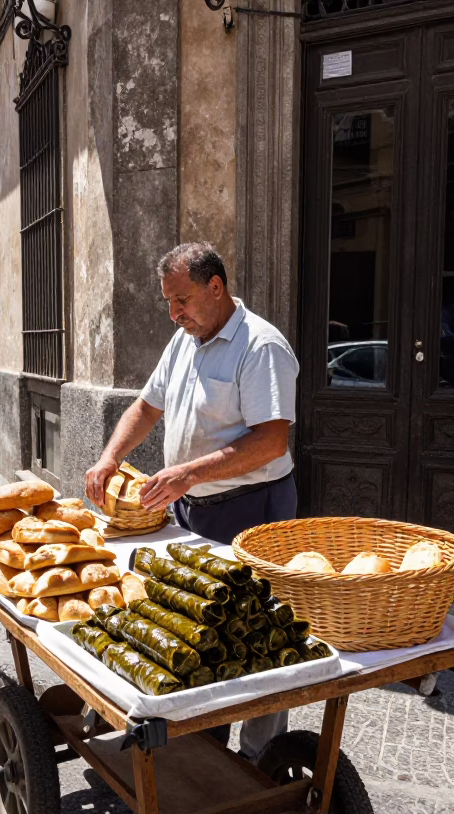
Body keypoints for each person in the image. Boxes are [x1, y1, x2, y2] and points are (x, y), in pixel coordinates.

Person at [83, 242, 299, 761]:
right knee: (195, 625)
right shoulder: (184, 340)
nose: (174, 312)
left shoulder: (260, 345)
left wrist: (187, 473)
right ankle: (202, 743)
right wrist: (111, 455)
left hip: (253, 509)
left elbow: (272, 441)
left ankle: (258, 761)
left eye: (181, 299)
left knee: (256, 638)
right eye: (168, 302)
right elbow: (146, 405)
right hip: (192, 510)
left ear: (216, 288)